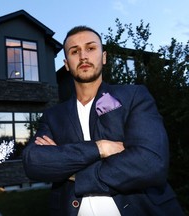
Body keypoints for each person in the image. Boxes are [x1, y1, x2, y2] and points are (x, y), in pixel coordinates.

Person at [22, 26, 184, 216]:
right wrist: (100, 148)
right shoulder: (53, 116)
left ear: (104, 56)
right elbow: (34, 162)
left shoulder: (133, 96)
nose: (83, 56)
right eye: (74, 51)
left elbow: (151, 163)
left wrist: (74, 173)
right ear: (66, 64)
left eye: (90, 48)